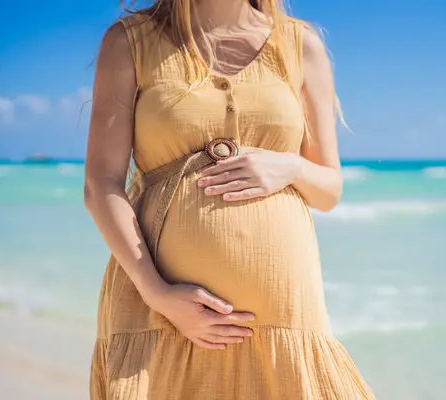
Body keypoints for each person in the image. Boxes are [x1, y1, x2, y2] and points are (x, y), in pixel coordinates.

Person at [84, 0, 375, 398]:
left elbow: (328, 189)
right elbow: (101, 183)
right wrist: (158, 295)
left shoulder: (299, 44)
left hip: (284, 314)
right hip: (161, 311)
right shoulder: (130, 41)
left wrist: (290, 166)